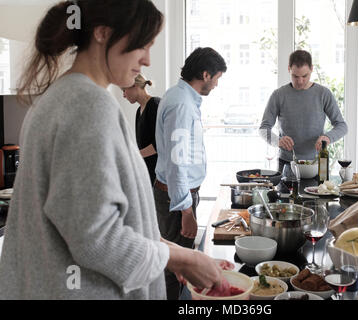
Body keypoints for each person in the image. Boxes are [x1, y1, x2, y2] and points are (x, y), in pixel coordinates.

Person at [0, 0, 226, 300]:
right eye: (142, 45)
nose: (147, 60)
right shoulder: (86, 106)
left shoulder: (65, 97)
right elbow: (97, 239)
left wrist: (168, 250)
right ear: (103, 33)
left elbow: (105, 219)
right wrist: (183, 258)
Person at [154, 47, 227, 300]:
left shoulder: (179, 96)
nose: (216, 84)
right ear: (205, 74)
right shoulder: (182, 104)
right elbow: (177, 163)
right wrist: (186, 210)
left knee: (177, 267)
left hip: (176, 195)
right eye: (217, 78)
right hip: (177, 200)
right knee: (177, 268)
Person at [259, 50, 348, 174]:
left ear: (311, 69)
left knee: (321, 193)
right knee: (285, 194)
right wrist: (277, 141)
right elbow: (264, 129)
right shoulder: (278, 95)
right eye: (295, 76)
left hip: (318, 162)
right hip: (287, 164)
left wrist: (328, 137)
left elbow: (342, 126)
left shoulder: (323, 94)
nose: (300, 81)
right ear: (289, 69)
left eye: (304, 76)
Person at [123, 74, 160, 185]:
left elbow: (160, 143)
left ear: (134, 86)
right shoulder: (139, 111)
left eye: (124, 90)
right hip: (147, 173)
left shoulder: (155, 104)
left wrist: (135, 155)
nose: (124, 95)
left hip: (158, 175)